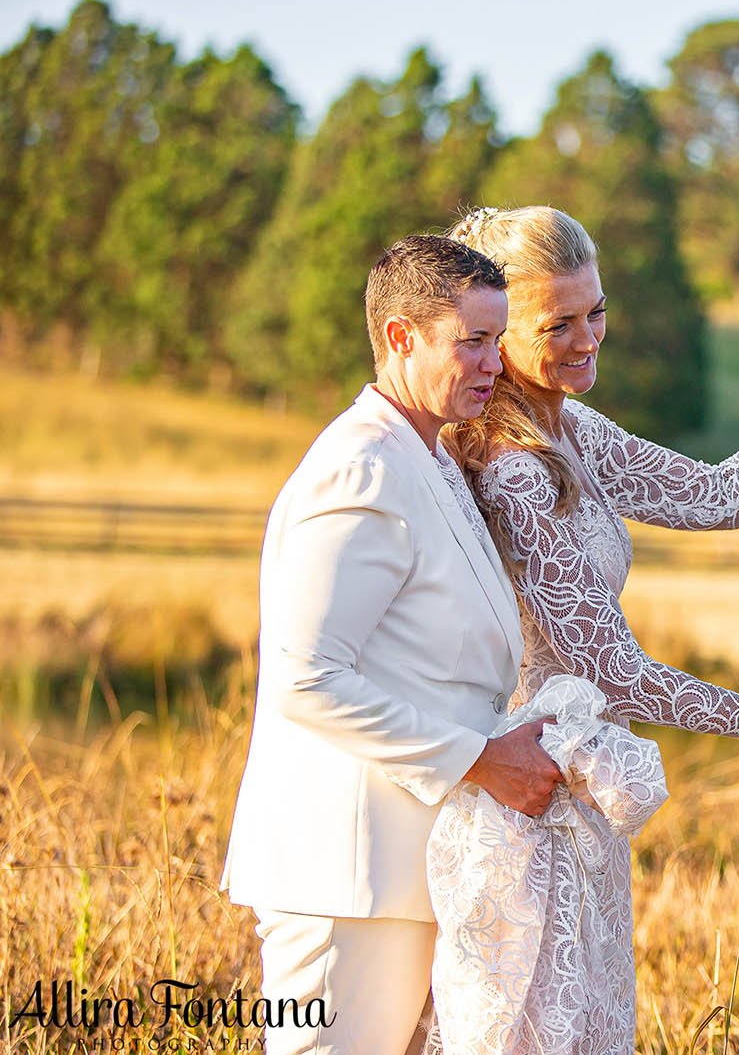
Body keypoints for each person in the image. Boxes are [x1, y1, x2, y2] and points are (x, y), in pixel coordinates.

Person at [423, 205, 739, 1054]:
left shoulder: (566, 427)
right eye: (558, 324)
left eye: (597, 312)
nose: (588, 340)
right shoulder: (511, 469)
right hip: (526, 807)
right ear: (500, 330)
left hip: (582, 799)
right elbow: (615, 673)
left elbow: (717, 496)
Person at [222, 235, 566, 1055]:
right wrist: (480, 758)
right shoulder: (360, 470)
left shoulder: (435, 460)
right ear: (401, 338)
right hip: (343, 877)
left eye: (500, 337)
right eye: (473, 341)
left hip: (408, 871)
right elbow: (305, 680)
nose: (495, 362)